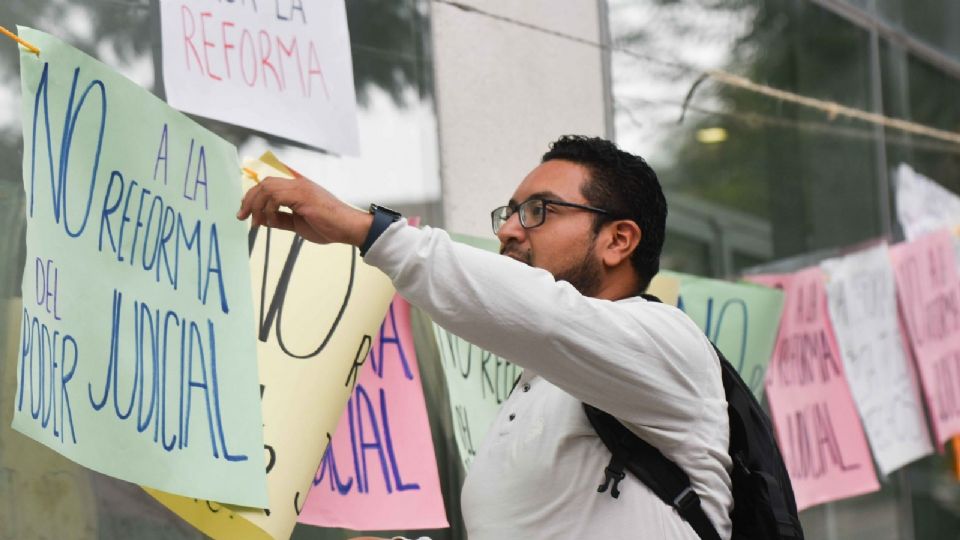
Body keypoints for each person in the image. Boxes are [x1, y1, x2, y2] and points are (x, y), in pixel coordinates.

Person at [237, 135, 732, 539]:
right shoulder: (543, 379)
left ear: (618, 240)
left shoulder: (666, 342)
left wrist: (371, 231)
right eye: (510, 212)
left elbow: (542, 314)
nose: (509, 231)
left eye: (540, 210)